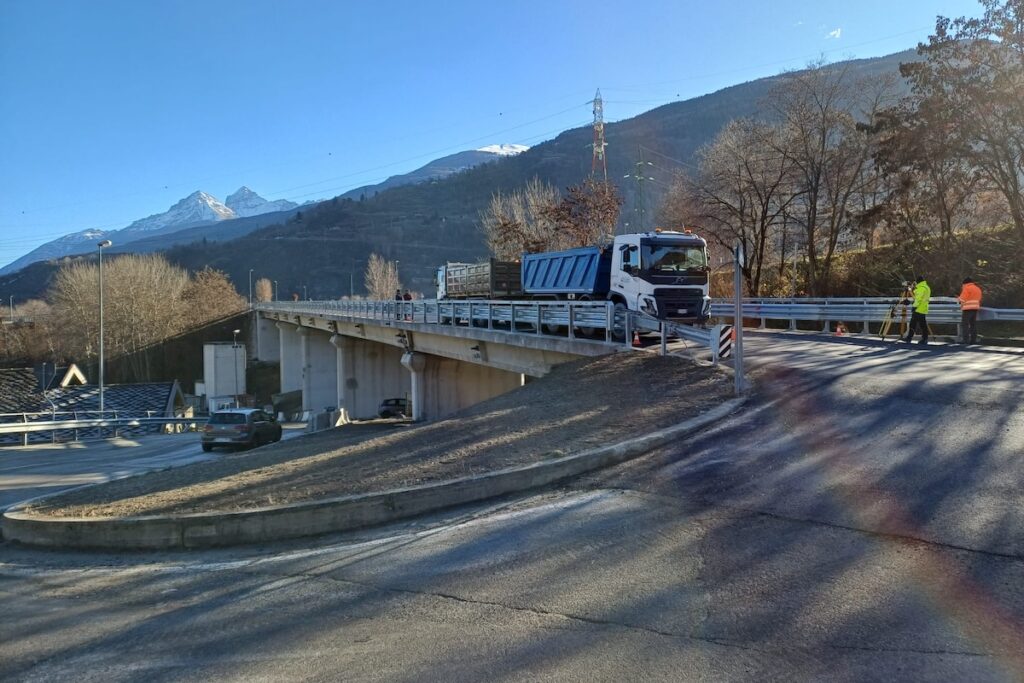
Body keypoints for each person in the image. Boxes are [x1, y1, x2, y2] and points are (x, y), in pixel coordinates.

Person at [902, 275, 931, 345]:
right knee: (922, 324)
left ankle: (910, 338)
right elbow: (918, 297)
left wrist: (914, 306)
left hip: (918, 308)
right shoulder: (926, 287)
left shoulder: (921, 288)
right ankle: (924, 338)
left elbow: (918, 299)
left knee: (913, 323)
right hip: (923, 308)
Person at [957, 277, 983, 345]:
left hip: (967, 308)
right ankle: (973, 340)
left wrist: (958, 298)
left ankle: (965, 340)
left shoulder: (966, 288)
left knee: (965, 324)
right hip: (975, 308)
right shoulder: (977, 288)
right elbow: (979, 298)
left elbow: (962, 299)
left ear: (965, 283)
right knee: (973, 324)